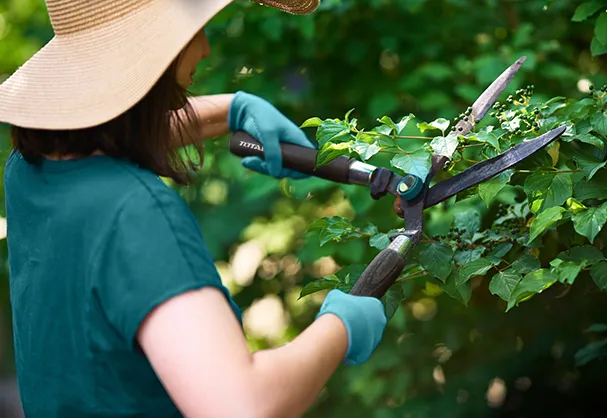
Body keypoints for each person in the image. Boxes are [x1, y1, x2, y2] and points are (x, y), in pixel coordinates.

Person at [0, 1, 388, 417]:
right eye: (189, 30)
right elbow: (243, 408)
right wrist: (340, 328)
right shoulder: (133, 213)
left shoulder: (30, 171)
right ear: (142, 53)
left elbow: (118, 131)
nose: (204, 47)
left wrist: (233, 108)